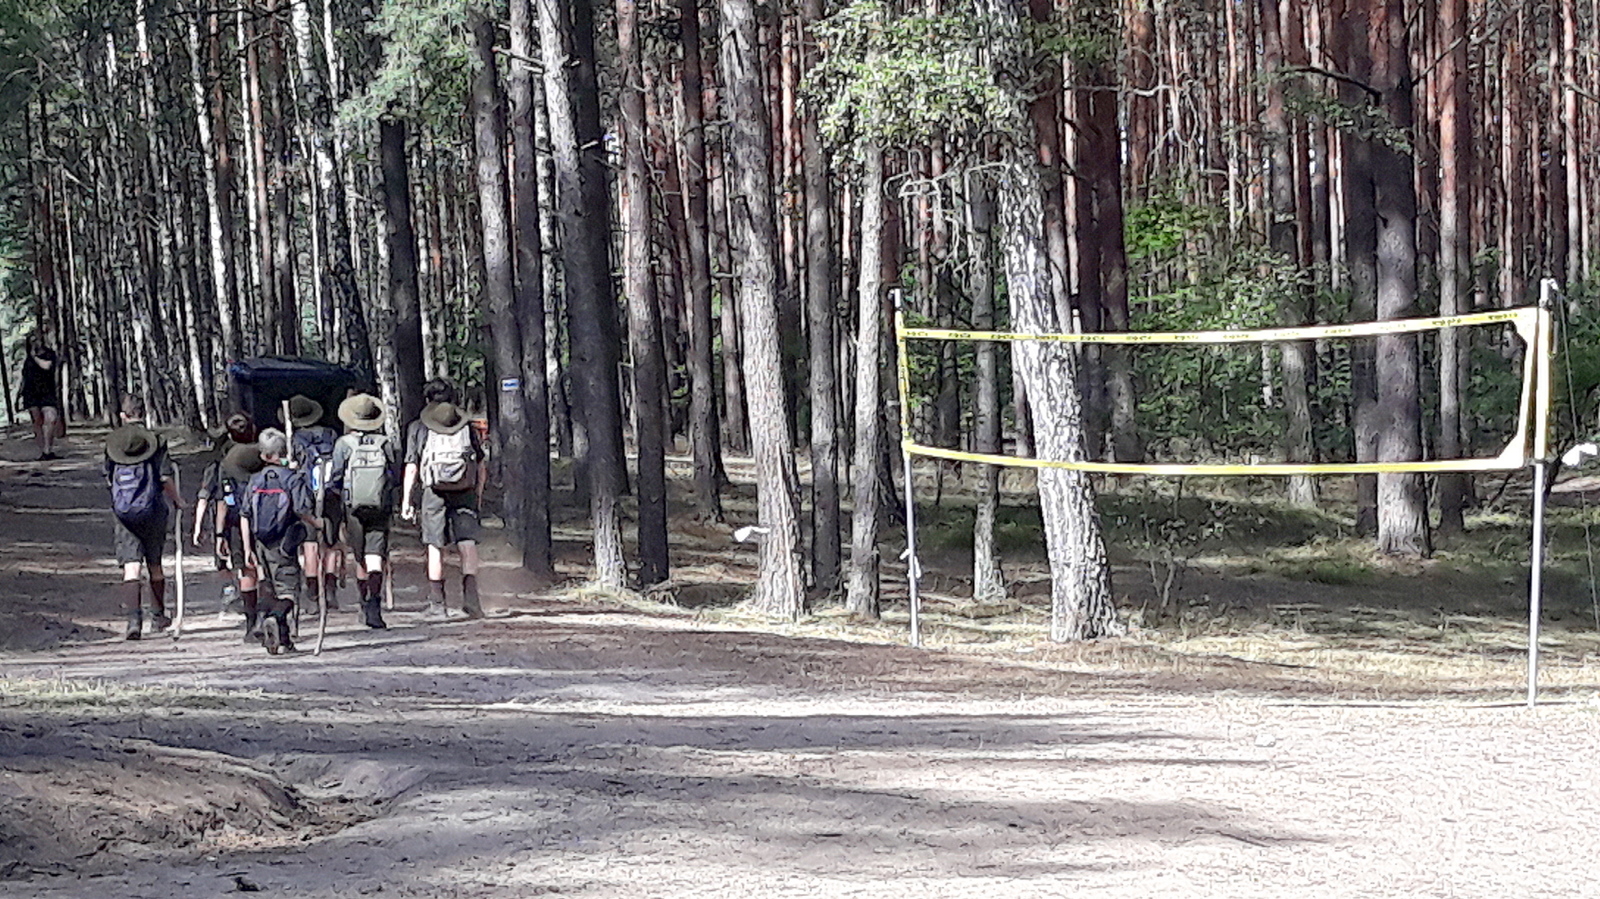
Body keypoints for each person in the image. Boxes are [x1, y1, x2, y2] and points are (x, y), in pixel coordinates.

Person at [402, 379, 487, 620]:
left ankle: (438, 604)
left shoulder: (418, 427)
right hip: (465, 490)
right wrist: (478, 494)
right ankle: (472, 602)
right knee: (467, 543)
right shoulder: (465, 426)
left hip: (433, 492)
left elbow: (412, 466)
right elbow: (481, 464)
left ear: (427, 399)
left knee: (435, 546)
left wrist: (407, 500)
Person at [103, 395, 183, 640]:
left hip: (124, 512)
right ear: (144, 413)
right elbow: (164, 477)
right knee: (155, 563)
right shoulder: (156, 441)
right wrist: (177, 500)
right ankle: (158, 616)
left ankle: (133, 621)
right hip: (153, 509)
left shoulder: (113, 442)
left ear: (123, 415)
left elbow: (109, 478)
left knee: (131, 566)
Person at [241, 428, 316, 655]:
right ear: (284, 452)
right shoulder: (292, 478)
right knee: (289, 592)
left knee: (271, 589)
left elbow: (245, 514)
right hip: (285, 542)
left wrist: (247, 548)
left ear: (263, 455)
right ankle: (272, 618)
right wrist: (318, 523)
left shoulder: (255, 480)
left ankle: (282, 640)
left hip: (260, 543)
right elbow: (302, 509)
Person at [329, 393, 397, 629]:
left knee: (359, 557)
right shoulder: (384, 443)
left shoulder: (343, 444)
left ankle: (363, 602)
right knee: (375, 555)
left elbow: (335, 478)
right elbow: (393, 475)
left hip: (353, 508)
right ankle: (375, 606)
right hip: (380, 507)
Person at [199, 438, 270, 642]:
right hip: (269, 524)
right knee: (265, 572)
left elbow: (222, 503)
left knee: (246, 572)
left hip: (237, 527)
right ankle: (267, 617)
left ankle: (251, 624)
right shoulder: (269, 473)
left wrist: (220, 535)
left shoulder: (227, 472)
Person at [284, 395, 344, 615]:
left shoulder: (295, 439)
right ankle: (330, 591)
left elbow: (292, 466)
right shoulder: (331, 434)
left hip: (307, 494)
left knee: (310, 545)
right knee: (331, 543)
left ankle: (313, 595)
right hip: (331, 494)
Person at [20, 335, 62, 461]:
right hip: (31, 394)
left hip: (47, 393)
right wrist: (19, 395)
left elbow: (47, 366)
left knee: (50, 419)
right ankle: (43, 450)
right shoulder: (28, 360)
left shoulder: (49, 355)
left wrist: (34, 357)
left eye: (36, 340)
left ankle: (48, 449)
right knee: (37, 422)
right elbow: (24, 378)